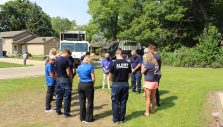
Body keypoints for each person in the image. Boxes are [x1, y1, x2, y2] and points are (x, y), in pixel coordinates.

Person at [109, 49, 132, 123]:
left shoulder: (113, 63)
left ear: (116, 54)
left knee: (115, 102)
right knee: (123, 102)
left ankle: (116, 119)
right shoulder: (128, 63)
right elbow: (129, 75)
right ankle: (122, 119)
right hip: (125, 84)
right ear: (122, 54)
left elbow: (110, 76)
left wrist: (113, 81)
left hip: (116, 84)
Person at [55, 49, 73, 118]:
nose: (68, 57)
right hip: (64, 79)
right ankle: (66, 113)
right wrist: (71, 79)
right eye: (68, 55)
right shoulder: (65, 60)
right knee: (67, 97)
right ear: (66, 53)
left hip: (58, 79)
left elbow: (55, 70)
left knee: (59, 95)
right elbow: (68, 72)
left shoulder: (57, 59)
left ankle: (58, 110)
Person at [77, 55, 95, 123]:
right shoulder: (90, 66)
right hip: (88, 84)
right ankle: (89, 118)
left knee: (82, 102)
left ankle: (82, 118)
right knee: (90, 102)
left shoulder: (79, 67)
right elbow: (93, 78)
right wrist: (92, 85)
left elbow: (78, 77)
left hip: (81, 84)